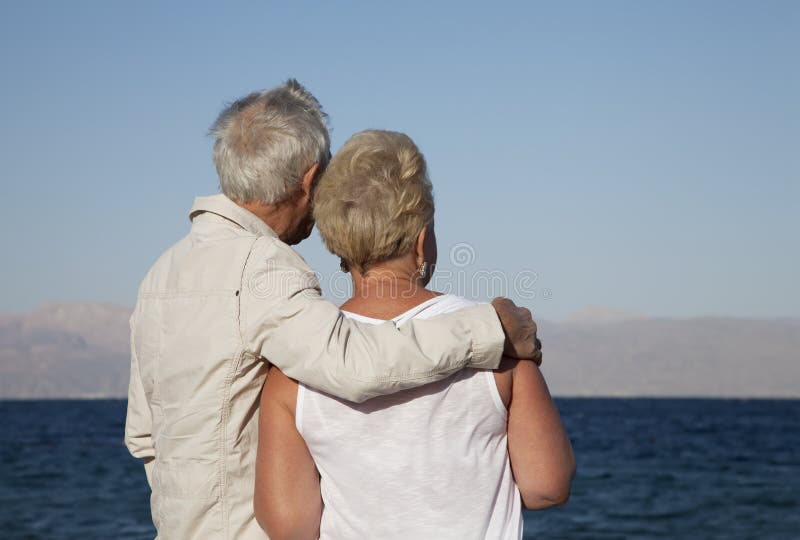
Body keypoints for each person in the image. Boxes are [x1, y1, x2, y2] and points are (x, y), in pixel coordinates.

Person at [124, 81, 542, 539]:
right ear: (309, 181)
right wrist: (491, 328)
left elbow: (144, 436)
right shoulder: (264, 266)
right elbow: (353, 363)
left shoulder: (160, 276)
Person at [254, 130, 575, 539]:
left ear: (339, 248)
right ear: (422, 243)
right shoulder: (500, 342)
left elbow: (289, 526)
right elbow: (547, 487)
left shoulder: (295, 370)